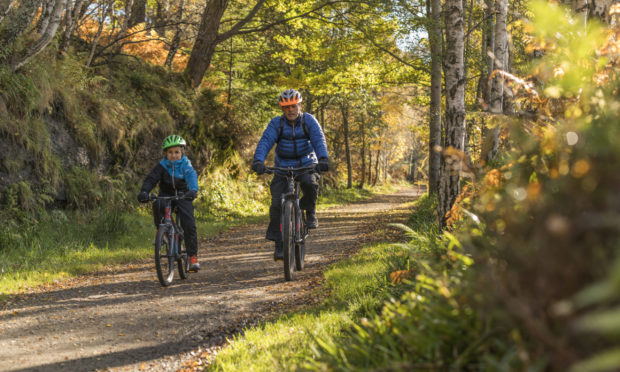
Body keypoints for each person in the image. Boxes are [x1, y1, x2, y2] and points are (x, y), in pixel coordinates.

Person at [251, 89, 329, 261]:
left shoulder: (309, 121)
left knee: (309, 183)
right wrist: (258, 161)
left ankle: (310, 211)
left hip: (307, 162)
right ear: (282, 109)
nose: (290, 110)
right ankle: (279, 244)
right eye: (286, 108)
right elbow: (265, 141)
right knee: (277, 202)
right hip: (283, 166)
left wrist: (323, 159)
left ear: (300, 105)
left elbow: (318, 139)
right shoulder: (276, 124)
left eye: (293, 106)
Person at [137, 135, 200, 272]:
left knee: (189, 224)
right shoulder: (162, 166)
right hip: (166, 194)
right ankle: (162, 231)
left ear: (181, 152)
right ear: (166, 153)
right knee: (158, 204)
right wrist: (144, 191)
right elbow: (151, 179)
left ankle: (192, 256)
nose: (174, 155)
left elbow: (191, 176)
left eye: (177, 152)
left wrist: (193, 190)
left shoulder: (185, 164)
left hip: (183, 195)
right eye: (170, 152)